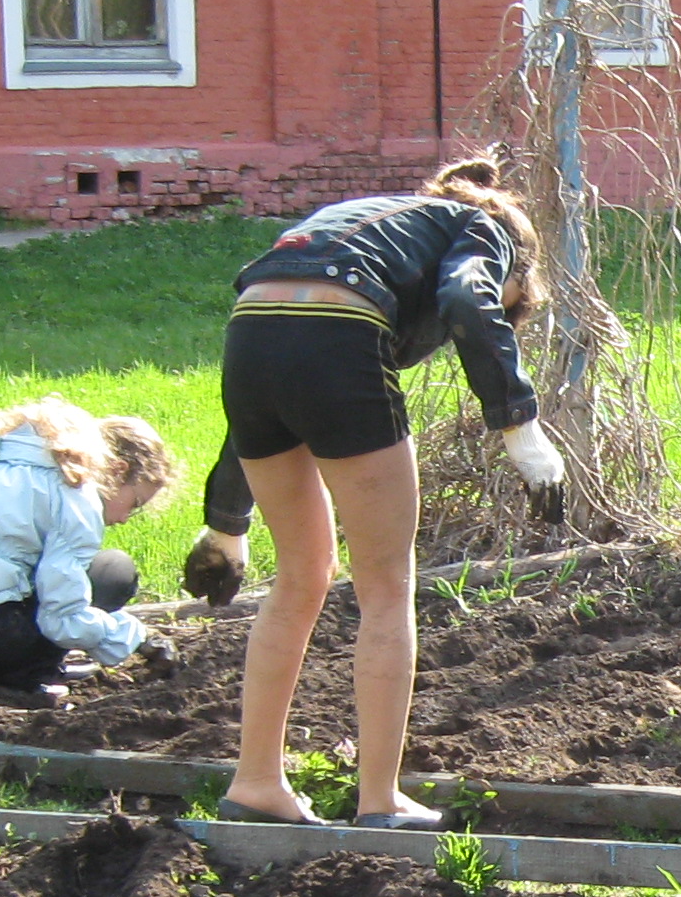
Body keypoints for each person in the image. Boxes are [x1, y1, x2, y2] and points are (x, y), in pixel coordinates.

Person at [181, 157, 561, 827]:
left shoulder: (373, 222)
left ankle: (255, 785)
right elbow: (466, 301)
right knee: (385, 585)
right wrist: (520, 430)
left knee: (299, 578)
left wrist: (226, 525)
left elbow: (279, 363)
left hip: (250, 333)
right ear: (519, 272)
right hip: (340, 333)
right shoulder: (485, 228)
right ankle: (381, 802)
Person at [0, 399, 183, 707]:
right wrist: (139, 638)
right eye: (134, 504)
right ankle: (19, 680)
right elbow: (61, 618)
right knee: (113, 571)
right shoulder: (74, 499)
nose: (125, 519)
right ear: (117, 471)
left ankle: (19, 671)